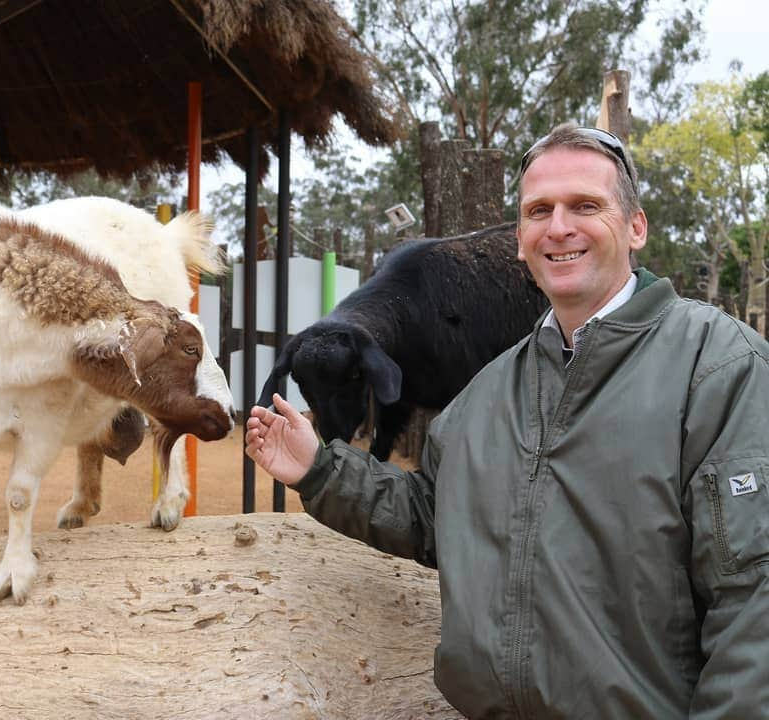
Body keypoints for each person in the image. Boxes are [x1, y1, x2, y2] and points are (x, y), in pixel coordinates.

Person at [246, 123, 769, 719]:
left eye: (586, 206)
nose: (560, 227)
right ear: (519, 239)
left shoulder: (717, 368)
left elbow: (754, 597)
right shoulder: (489, 391)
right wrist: (321, 470)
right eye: (538, 210)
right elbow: (434, 518)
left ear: (636, 227)